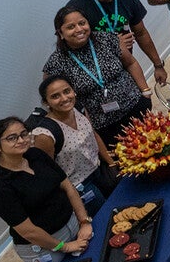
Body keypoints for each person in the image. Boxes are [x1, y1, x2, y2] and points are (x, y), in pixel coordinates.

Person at [0, 117, 93, 262]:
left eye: (24, 134)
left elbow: (68, 186)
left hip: (74, 225)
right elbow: (28, 231)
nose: (21, 140)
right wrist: (64, 246)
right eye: (12, 138)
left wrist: (84, 221)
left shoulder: (36, 154)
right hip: (44, 248)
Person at [43, 5, 148, 143]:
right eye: (71, 27)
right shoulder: (55, 64)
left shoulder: (108, 39)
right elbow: (52, 100)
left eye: (82, 23)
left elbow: (131, 63)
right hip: (102, 126)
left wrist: (145, 92)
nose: (79, 29)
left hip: (135, 106)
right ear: (60, 33)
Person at [68, 0, 167, 89]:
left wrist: (158, 65)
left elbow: (141, 33)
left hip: (127, 68)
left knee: (144, 106)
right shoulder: (76, 9)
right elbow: (73, 50)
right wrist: (113, 43)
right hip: (96, 79)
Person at [29, 76, 115, 213]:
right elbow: (47, 172)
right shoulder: (45, 134)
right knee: (105, 216)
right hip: (80, 186)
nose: (64, 98)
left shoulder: (78, 108)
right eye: (55, 96)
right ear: (46, 102)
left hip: (99, 171)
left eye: (67, 91)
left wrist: (111, 163)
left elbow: (93, 134)